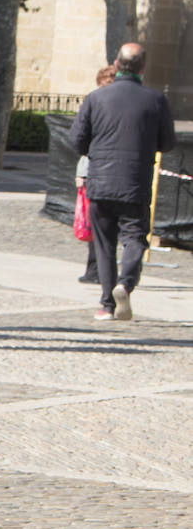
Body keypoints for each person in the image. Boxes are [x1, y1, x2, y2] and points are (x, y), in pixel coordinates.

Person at [70, 42, 176, 321]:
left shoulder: (96, 98)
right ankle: (125, 283)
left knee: (104, 244)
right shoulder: (155, 100)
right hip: (134, 182)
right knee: (135, 238)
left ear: (116, 65)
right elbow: (167, 143)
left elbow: (76, 140)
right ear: (143, 67)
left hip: (101, 180)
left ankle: (107, 304)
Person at [77, 63, 117, 285]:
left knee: (98, 225)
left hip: (98, 174)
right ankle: (107, 272)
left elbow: (82, 141)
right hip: (117, 176)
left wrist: (82, 173)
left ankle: (97, 271)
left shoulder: (95, 103)